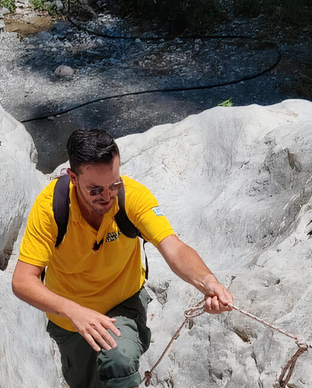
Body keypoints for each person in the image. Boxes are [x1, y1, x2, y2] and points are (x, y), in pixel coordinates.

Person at [12, 129, 233, 388]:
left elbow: (174, 248)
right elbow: (22, 281)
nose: (107, 196)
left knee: (120, 359)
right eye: (95, 189)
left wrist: (208, 282)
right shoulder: (52, 207)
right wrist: (73, 311)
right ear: (73, 178)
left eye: (114, 184)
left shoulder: (133, 198)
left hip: (123, 304)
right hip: (70, 320)